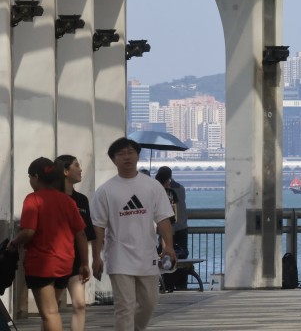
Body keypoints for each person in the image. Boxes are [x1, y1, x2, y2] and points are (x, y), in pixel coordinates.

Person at [92, 137, 176, 331]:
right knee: (125, 307)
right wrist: (96, 257)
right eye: (121, 154)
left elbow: (163, 219)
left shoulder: (152, 186)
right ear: (114, 160)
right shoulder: (105, 191)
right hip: (118, 256)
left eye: (131, 152)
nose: (127, 157)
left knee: (149, 303)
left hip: (147, 255)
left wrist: (168, 246)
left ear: (138, 156)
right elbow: (98, 228)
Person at [6, 158, 90, 331]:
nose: (30, 181)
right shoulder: (68, 201)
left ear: (36, 177)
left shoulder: (33, 199)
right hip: (65, 264)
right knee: (51, 311)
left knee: (50, 313)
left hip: (41, 264)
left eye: (30, 177)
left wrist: (14, 243)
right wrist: (84, 263)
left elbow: (29, 231)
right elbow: (80, 233)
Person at [56, 154, 101, 331]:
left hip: (76, 260)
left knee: (80, 304)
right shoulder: (52, 198)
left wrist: (89, 260)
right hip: (56, 259)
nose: (81, 169)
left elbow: (87, 233)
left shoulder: (82, 200)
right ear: (65, 171)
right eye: (76, 165)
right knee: (51, 308)